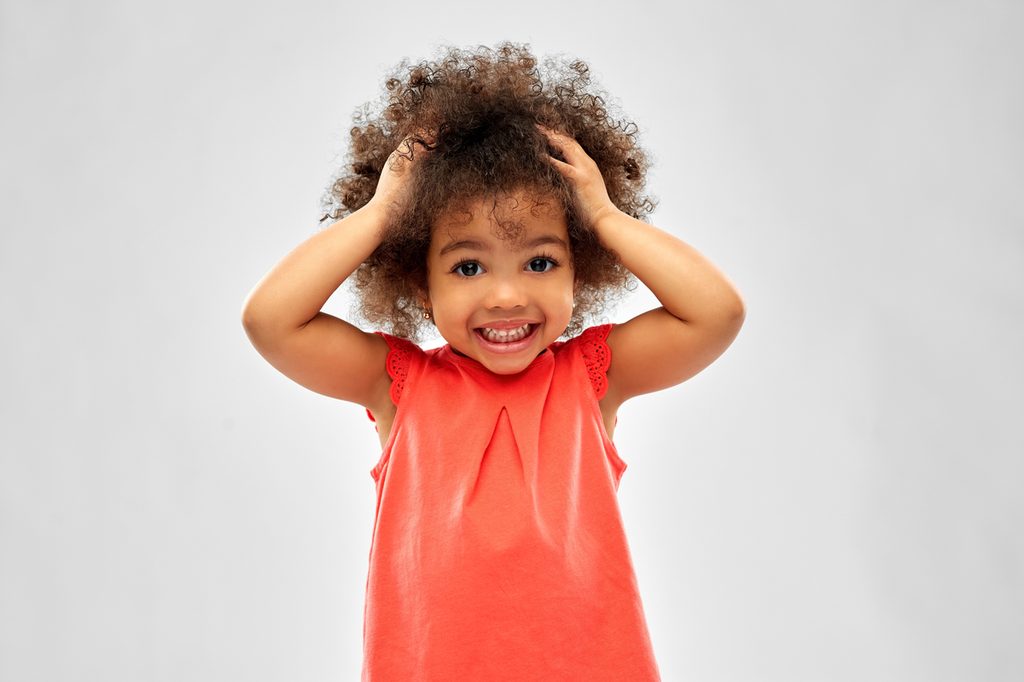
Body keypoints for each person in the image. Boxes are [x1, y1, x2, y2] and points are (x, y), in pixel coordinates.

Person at [241, 41, 745, 681]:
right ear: (421, 286)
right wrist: (382, 213)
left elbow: (716, 313)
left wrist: (601, 213)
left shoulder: (591, 376)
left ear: (579, 274)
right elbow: (270, 321)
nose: (507, 296)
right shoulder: (399, 385)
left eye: (541, 262)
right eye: (468, 265)